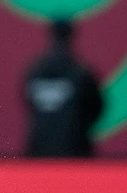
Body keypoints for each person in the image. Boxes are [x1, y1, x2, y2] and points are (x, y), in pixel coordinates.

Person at [24, 20, 103, 157]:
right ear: (71, 36)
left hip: (40, 149)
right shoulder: (81, 72)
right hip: (74, 150)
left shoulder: (35, 71)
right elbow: (97, 106)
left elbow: (27, 102)